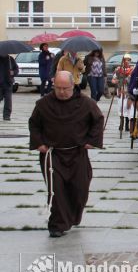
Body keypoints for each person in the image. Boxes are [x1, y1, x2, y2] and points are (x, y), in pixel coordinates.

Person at [28, 71, 104, 238]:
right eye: (58, 88)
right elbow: (34, 124)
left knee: (80, 190)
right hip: (53, 155)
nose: (62, 92)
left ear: (73, 86)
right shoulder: (43, 104)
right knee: (57, 191)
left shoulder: (86, 103)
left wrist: (92, 140)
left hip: (77, 153)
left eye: (65, 88)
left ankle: (73, 216)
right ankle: (57, 224)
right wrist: (38, 142)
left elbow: (98, 120)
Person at [111, 54, 135, 132]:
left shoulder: (132, 70)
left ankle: (127, 125)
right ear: (122, 61)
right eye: (125, 60)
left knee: (128, 108)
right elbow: (113, 80)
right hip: (120, 91)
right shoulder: (118, 70)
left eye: (128, 60)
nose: (126, 61)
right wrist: (115, 81)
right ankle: (121, 123)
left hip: (128, 91)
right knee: (121, 107)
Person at [0, 54, 19, 120]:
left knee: (8, 100)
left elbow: (16, 69)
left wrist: (13, 72)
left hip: (8, 83)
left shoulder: (10, 59)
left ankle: (6, 116)